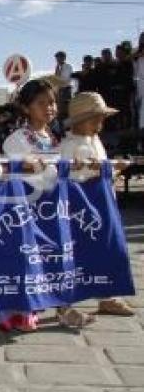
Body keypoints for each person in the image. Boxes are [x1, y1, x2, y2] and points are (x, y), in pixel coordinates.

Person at [3, 79, 94, 329]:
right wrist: (51, 170)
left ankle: (65, 306)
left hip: (55, 208)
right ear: (25, 108)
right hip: (29, 209)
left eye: (52, 102)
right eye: (41, 103)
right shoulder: (17, 139)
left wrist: (72, 168)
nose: (49, 107)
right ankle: (25, 309)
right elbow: (21, 173)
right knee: (31, 259)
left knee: (59, 257)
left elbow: (57, 172)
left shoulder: (54, 138)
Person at [59, 92, 135, 317]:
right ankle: (66, 301)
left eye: (101, 118)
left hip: (103, 205)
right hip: (81, 210)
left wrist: (111, 171)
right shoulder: (69, 145)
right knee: (77, 254)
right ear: (80, 120)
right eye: (96, 118)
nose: (100, 123)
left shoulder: (95, 141)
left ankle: (108, 296)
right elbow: (67, 175)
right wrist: (101, 170)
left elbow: (102, 170)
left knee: (108, 250)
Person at [54, 51, 74, 121]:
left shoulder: (68, 66)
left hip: (66, 89)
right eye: (57, 58)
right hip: (60, 90)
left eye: (59, 58)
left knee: (66, 108)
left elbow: (66, 79)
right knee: (59, 109)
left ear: (63, 58)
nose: (57, 60)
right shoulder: (57, 67)